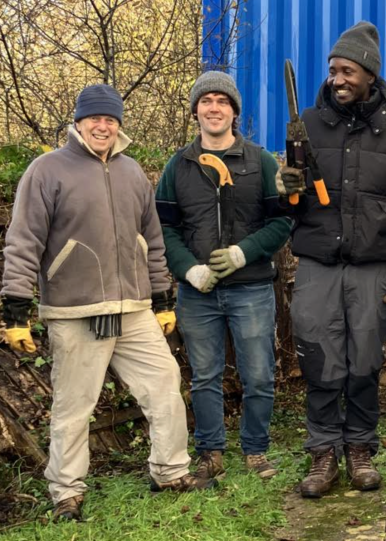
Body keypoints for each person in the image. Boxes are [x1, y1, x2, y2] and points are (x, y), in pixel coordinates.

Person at [1, 84, 216, 522]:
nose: (103, 126)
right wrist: (16, 310)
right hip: (76, 311)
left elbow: (153, 240)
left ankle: (169, 471)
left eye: (111, 119)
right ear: (78, 122)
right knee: (72, 408)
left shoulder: (132, 171)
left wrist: (160, 299)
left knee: (165, 385)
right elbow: (23, 241)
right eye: (95, 118)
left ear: (119, 125)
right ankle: (66, 492)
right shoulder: (47, 171)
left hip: (134, 309)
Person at [279, 21, 386, 498]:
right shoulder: (309, 124)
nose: (337, 78)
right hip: (317, 261)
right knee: (318, 356)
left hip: (373, 265)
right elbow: (291, 204)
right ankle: (322, 452)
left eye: (347, 71)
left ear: (370, 76)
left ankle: (358, 448)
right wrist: (289, 191)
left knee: (364, 362)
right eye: (333, 70)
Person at [155, 71, 296, 482]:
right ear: (196, 110)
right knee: (204, 376)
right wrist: (189, 269)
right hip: (198, 294)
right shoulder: (178, 166)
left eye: (222, 101)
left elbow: (282, 221)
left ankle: (255, 450)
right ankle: (211, 452)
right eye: (206, 101)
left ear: (234, 111)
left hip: (251, 288)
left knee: (258, 375)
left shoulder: (260, 161)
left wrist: (242, 253)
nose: (213, 108)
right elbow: (164, 228)